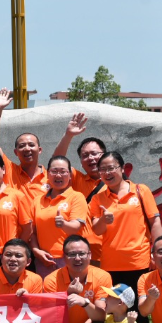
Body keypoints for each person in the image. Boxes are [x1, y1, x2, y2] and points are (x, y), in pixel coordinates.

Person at [90, 151, 162, 289]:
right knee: (114, 303)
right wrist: (103, 220)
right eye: (102, 170)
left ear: (122, 168)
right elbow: (97, 230)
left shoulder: (141, 190)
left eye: (111, 168)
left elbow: (155, 222)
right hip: (110, 264)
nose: (107, 173)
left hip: (139, 261)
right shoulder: (97, 199)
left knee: (140, 302)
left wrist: (157, 252)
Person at [52, 113, 108, 264]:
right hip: (80, 256)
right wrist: (68, 135)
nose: (91, 158)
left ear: (105, 155)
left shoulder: (119, 185)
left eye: (95, 153)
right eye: (85, 155)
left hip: (111, 255)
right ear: (81, 162)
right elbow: (57, 161)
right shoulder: (76, 180)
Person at [0, 88, 48, 201]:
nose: (27, 148)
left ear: (39, 150)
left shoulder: (51, 177)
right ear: (16, 152)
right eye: (22, 146)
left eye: (31, 145)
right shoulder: (9, 170)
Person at [30, 155, 87, 279]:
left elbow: (76, 227)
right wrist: (36, 251)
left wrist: (64, 224)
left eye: (63, 171)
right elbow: (33, 232)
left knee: (71, 291)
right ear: (47, 174)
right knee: (46, 291)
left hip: (70, 259)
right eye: (54, 171)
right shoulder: (37, 200)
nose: (58, 175)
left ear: (70, 175)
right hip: (44, 260)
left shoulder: (77, 197)